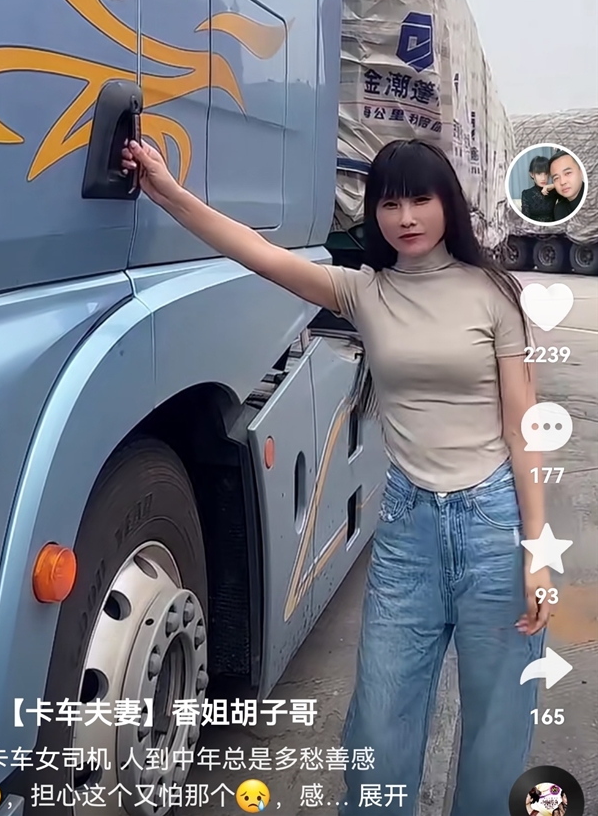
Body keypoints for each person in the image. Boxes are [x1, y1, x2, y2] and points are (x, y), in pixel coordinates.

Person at [121, 135, 549, 816]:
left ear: (447, 203)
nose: (405, 217)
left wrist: (537, 549)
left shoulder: (494, 293)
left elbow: (524, 426)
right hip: (408, 529)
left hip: (494, 524)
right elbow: (255, 251)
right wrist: (167, 191)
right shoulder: (363, 290)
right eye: (389, 203)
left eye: (420, 199)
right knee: (380, 723)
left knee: (499, 727)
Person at [548, 150, 585, 220]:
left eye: (568, 173)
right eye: (556, 178)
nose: (562, 182)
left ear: (581, 172)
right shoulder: (559, 210)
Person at [520, 155, 556, 222]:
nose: (543, 178)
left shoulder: (554, 191)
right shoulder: (526, 194)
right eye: (539, 174)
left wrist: (553, 186)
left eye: (546, 173)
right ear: (532, 174)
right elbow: (525, 219)